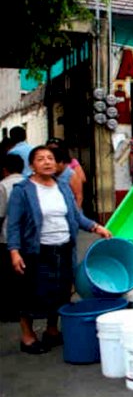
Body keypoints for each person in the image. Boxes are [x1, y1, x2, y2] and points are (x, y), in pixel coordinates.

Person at [7, 146, 112, 354]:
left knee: (61, 291)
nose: (46, 162)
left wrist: (96, 227)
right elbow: (13, 224)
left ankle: (52, 330)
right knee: (31, 293)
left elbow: (75, 216)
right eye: (40, 159)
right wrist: (14, 251)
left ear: (56, 164)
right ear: (31, 166)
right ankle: (27, 336)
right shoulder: (23, 190)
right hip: (36, 251)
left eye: (50, 158)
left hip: (63, 248)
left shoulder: (62, 187)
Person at [0, 155, 25, 322]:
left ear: (4, 169)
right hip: (27, 237)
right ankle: (26, 309)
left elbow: (0, 213)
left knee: (8, 277)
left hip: (8, 237)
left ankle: (11, 311)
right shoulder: (29, 183)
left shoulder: (2, 185)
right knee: (25, 275)